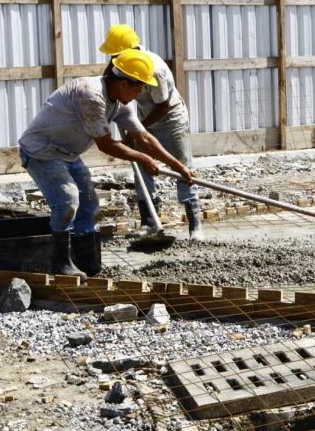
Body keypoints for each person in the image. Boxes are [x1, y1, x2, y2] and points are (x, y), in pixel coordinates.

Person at [18, 49, 194, 278]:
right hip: (41, 152)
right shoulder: (91, 96)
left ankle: (87, 263)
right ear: (123, 84)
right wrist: (142, 158)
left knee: (88, 203)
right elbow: (106, 145)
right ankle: (60, 264)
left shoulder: (121, 102)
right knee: (68, 200)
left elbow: (145, 138)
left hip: (69, 153)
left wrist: (178, 167)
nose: (141, 93)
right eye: (138, 87)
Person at [98, 24, 203, 239]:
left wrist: (138, 131)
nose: (112, 59)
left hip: (170, 119)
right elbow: (111, 88)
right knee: (141, 167)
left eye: (115, 54)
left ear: (129, 50)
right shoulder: (120, 64)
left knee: (182, 167)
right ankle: (150, 223)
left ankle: (195, 225)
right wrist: (132, 131)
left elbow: (163, 105)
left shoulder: (156, 69)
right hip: (144, 119)